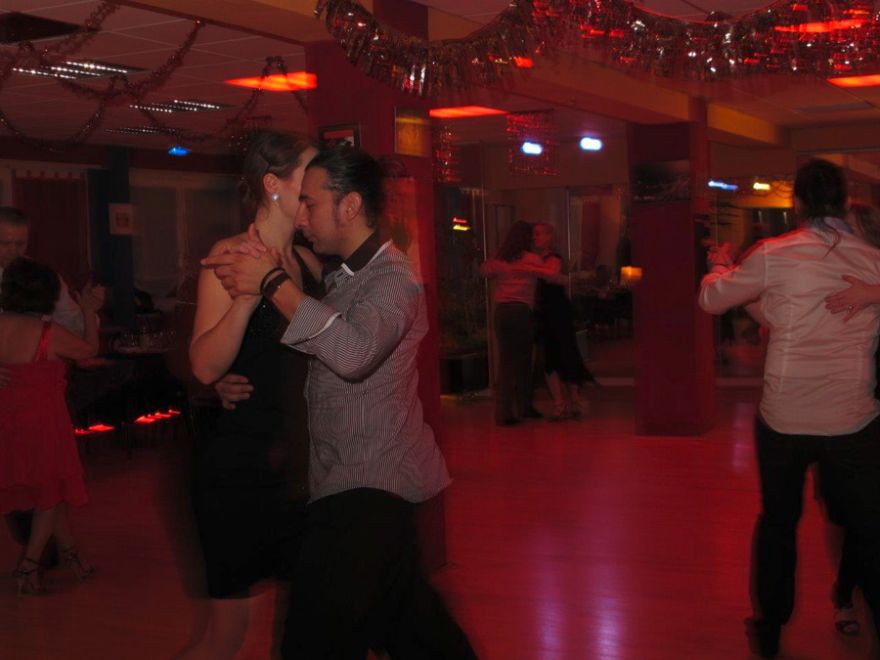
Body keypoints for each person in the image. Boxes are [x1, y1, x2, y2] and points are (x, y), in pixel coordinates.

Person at [202, 144, 476, 659]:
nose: (301, 217)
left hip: (370, 487)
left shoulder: (395, 281)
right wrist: (223, 379)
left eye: (311, 204)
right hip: (345, 483)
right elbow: (313, 358)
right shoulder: (341, 279)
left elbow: (352, 355)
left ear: (349, 206)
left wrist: (271, 282)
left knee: (313, 643)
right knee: (418, 634)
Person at [699, 159, 880, 658]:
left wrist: (719, 268)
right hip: (852, 416)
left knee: (778, 523)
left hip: (786, 415)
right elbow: (779, 312)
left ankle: (769, 633)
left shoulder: (775, 253)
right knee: (869, 529)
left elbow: (711, 301)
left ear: (797, 203)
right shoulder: (873, 258)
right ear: (844, 202)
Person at [184, 131, 322, 659]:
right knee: (227, 635)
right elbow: (205, 364)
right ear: (273, 184)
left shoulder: (309, 262)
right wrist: (246, 300)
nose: (317, 187)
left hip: (300, 463)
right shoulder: (230, 255)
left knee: (307, 619)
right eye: (307, 176)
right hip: (241, 461)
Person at [0, 257, 101, 594]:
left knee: (48, 491)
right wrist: (88, 311)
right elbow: (88, 350)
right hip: (44, 422)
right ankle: (28, 566)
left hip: (6, 421)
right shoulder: (48, 333)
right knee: (50, 493)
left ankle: (73, 557)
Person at [480, 221, 544, 426]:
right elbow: (546, 273)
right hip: (522, 310)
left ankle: (505, 412)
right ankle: (525, 407)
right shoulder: (532, 259)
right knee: (524, 361)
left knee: (506, 362)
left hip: (502, 311)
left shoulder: (500, 258)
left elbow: (484, 270)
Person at [532, 222, 596, 421]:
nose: (535, 238)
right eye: (534, 234)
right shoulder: (536, 260)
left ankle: (572, 402)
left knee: (566, 353)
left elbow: (551, 276)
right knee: (551, 357)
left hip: (558, 312)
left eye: (538, 234)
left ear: (549, 236)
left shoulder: (553, 259)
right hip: (546, 313)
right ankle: (561, 404)